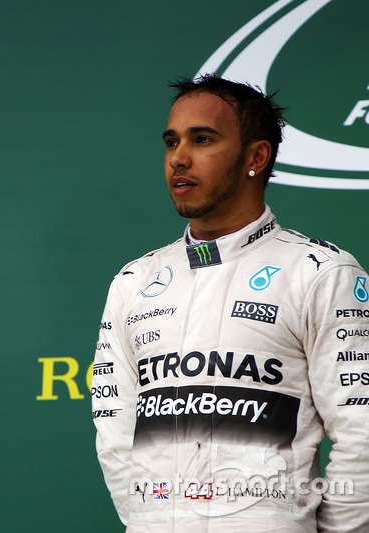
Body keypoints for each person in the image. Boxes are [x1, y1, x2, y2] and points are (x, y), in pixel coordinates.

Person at [92, 75, 369, 532]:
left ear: (256, 157)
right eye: (171, 141)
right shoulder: (133, 281)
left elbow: (362, 433)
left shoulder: (321, 272)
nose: (178, 158)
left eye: (202, 139)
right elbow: (116, 437)